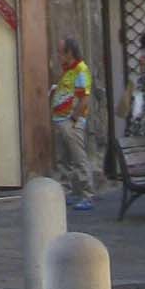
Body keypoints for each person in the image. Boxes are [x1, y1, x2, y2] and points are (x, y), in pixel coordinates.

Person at [49, 38, 98, 208]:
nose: (58, 55)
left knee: (78, 157)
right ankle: (69, 192)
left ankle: (87, 194)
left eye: (60, 52)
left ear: (69, 52)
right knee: (64, 159)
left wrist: (74, 119)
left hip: (70, 120)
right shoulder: (67, 70)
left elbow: (84, 98)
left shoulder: (80, 70)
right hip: (61, 119)